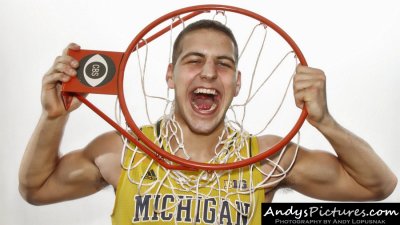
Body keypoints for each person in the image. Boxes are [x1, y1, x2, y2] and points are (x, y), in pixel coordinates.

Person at [19, 20, 397, 225]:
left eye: (224, 64)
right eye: (194, 61)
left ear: (237, 83)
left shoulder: (266, 159)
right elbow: (36, 189)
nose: (209, 73)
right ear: (170, 76)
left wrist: (325, 121)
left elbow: (377, 186)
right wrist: (53, 117)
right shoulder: (124, 152)